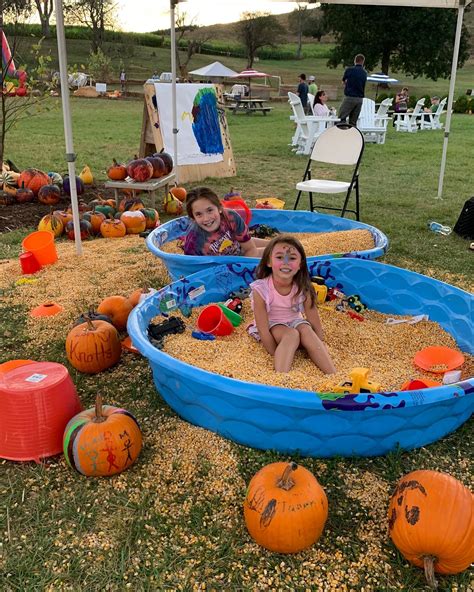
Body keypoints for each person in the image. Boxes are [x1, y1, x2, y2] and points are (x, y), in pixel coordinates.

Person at [248, 235, 336, 374]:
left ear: (300, 264)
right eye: (279, 257)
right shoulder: (261, 289)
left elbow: (314, 321)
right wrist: (273, 352)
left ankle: (333, 375)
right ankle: (281, 378)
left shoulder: (304, 288)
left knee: (306, 330)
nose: (286, 262)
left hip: (296, 321)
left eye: (292, 258)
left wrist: (317, 343)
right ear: (268, 262)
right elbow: (263, 328)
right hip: (274, 325)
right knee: (292, 335)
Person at [184, 187, 269, 257]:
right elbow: (191, 269)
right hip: (220, 268)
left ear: (219, 208)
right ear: (193, 218)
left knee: (277, 249)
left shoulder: (231, 217)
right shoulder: (193, 241)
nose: (206, 218)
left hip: (239, 249)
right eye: (199, 214)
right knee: (276, 251)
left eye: (210, 210)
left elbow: (250, 249)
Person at [338, 54, 367, 127]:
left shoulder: (349, 70)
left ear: (355, 61)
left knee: (342, 117)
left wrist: (347, 85)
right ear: (363, 62)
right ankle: (353, 135)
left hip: (350, 97)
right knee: (353, 122)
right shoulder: (364, 73)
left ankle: (342, 133)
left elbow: (343, 81)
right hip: (359, 99)